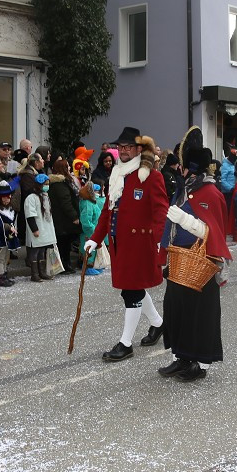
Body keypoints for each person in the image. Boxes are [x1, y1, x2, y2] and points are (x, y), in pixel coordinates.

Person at [83, 127, 168, 361]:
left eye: (128, 147)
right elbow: (107, 212)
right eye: (120, 147)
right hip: (119, 243)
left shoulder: (151, 176)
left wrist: (160, 240)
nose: (123, 151)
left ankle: (125, 343)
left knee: (131, 292)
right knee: (135, 287)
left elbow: (161, 211)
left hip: (141, 243)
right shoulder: (117, 174)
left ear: (139, 149)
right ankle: (159, 324)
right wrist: (95, 239)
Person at [158, 138, 231, 382]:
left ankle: (201, 363)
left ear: (193, 167)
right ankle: (182, 356)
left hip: (202, 260)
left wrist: (186, 221)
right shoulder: (183, 189)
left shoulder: (210, 192)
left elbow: (215, 231)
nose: (179, 169)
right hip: (179, 259)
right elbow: (168, 224)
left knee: (201, 313)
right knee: (176, 309)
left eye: (183, 166)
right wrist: (162, 253)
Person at [24, 172, 57, 282]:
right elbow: (30, 215)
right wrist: (35, 229)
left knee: (42, 250)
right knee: (35, 251)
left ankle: (42, 272)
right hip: (38, 229)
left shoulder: (45, 196)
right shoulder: (31, 198)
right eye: (45, 184)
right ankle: (35, 274)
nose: (47, 186)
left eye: (48, 183)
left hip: (45, 228)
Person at [79, 182, 104, 276]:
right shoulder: (87, 203)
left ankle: (91, 265)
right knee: (89, 250)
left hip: (93, 229)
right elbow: (86, 219)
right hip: (89, 231)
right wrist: (92, 230)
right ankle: (87, 267)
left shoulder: (90, 202)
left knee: (93, 249)